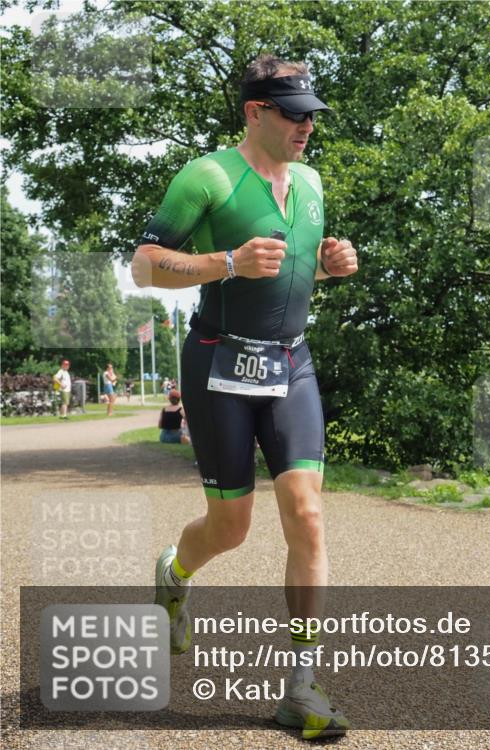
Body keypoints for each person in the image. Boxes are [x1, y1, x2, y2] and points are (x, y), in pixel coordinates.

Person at [131, 54, 358, 739]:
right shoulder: (208, 176)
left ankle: (302, 688)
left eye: (312, 115)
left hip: (291, 364)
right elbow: (145, 265)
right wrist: (225, 263)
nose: (306, 127)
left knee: (307, 513)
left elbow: (296, 268)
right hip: (217, 364)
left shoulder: (311, 183)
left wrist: (330, 265)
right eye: (293, 114)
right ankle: (174, 573)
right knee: (230, 528)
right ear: (255, 112)